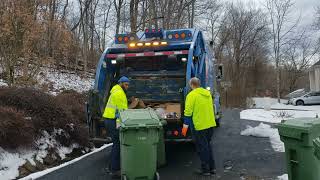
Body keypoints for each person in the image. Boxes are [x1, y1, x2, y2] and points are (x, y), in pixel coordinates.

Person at [181, 77, 217, 176]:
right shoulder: (207, 94)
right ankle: (212, 168)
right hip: (210, 124)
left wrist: (184, 129)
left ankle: (205, 170)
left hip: (200, 126)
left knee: (202, 147)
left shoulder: (191, 95)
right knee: (208, 146)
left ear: (191, 85)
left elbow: (188, 113)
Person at [103, 76, 130, 178]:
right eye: (126, 85)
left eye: (128, 85)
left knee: (116, 143)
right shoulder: (120, 94)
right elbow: (122, 112)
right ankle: (114, 169)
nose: (127, 87)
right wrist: (121, 126)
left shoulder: (115, 90)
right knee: (117, 143)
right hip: (113, 120)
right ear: (121, 83)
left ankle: (111, 167)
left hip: (109, 119)